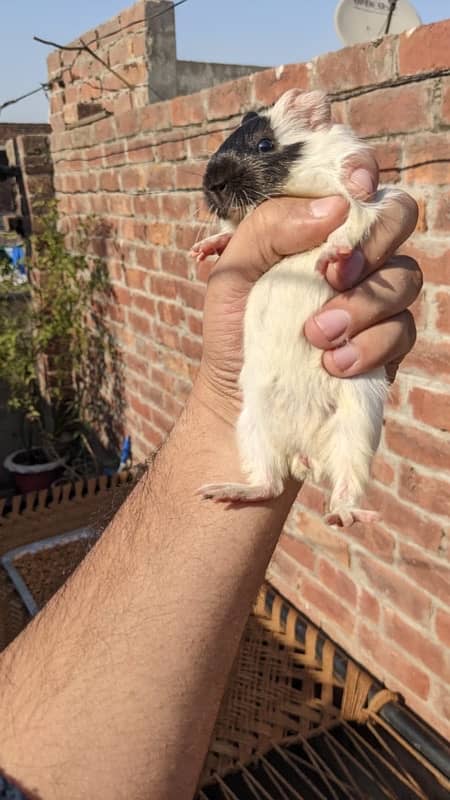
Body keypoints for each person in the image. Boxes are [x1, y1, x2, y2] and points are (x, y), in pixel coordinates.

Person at [0, 159, 420, 800]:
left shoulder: (331, 178)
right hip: (273, 379)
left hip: (300, 357)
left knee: (349, 403)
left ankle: (337, 486)